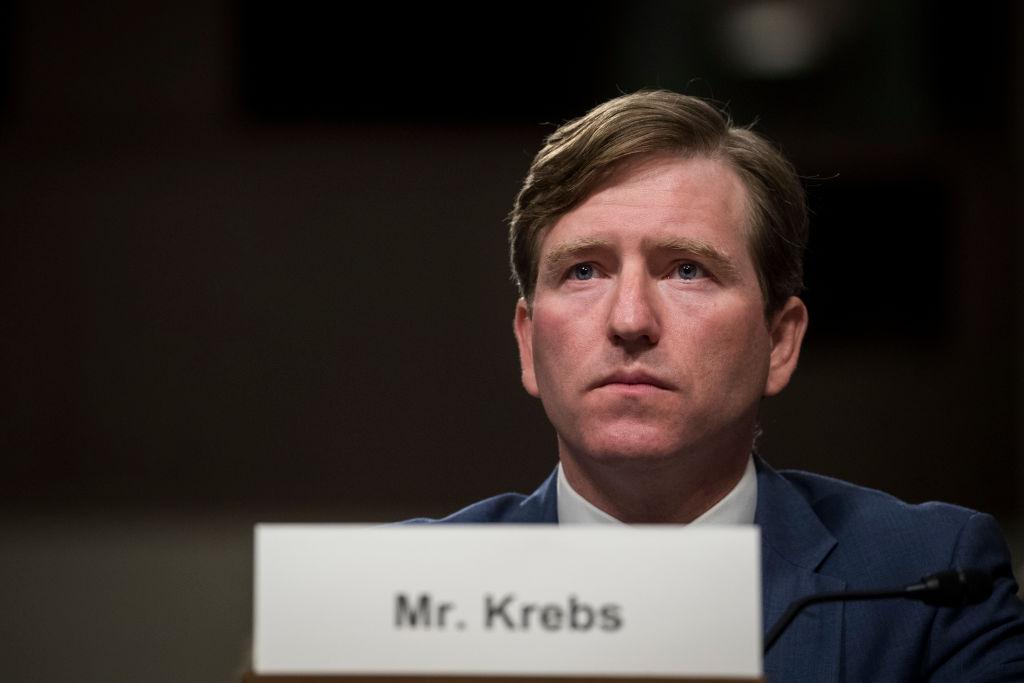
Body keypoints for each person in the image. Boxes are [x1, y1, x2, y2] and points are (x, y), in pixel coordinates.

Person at [408, 90, 1024, 680]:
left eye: (686, 270)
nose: (630, 321)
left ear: (779, 341)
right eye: (584, 270)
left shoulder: (930, 579)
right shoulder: (404, 585)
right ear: (528, 342)